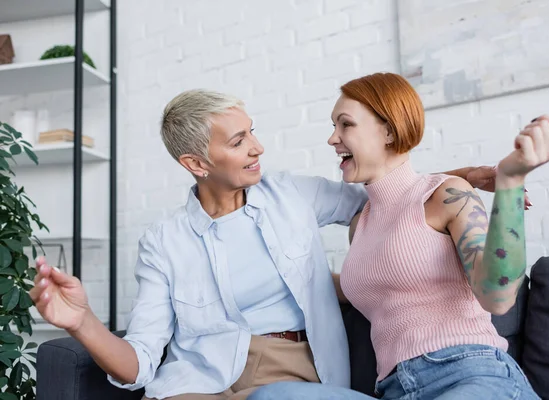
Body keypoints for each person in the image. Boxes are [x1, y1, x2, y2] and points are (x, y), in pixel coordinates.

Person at [30, 89, 504, 400]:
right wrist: (82, 322)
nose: (258, 147)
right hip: (200, 381)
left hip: (294, 376)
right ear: (196, 163)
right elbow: (137, 365)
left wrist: (459, 178)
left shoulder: (292, 194)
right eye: (239, 141)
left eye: (252, 130)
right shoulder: (163, 242)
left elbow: (388, 193)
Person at [247, 73, 549, 400]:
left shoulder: (446, 194)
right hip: (394, 390)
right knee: (273, 395)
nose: (332, 138)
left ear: (389, 131)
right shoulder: (360, 224)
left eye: (345, 124)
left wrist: (510, 180)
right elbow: (372, 252)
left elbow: (498, 296)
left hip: (470, 374)